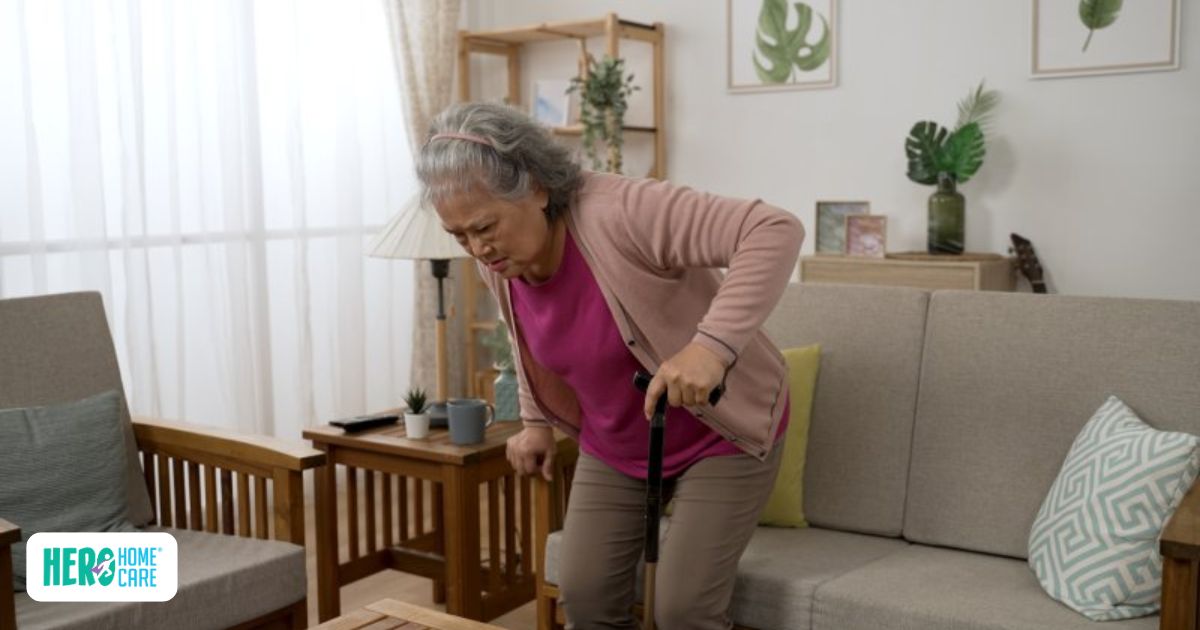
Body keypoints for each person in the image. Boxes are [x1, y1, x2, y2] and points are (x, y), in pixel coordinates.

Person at [416, 101, 803, 630]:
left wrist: (710, 348)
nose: (478, 249)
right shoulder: (502, 261)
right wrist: (535, 424)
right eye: (458, 236)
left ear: (535, 187)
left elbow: (773, 228)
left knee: (683, 610)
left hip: (722, 434)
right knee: (587, 597)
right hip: (619, 440)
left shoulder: (621, 210)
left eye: (484, 226)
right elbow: (527, 338)